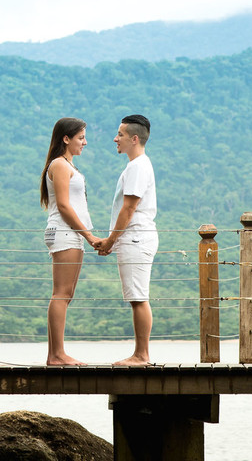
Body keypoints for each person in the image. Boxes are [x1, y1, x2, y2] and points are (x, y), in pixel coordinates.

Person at [40, 117, 102, 366]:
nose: (85, 142)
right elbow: (64, 206)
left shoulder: (66, 165)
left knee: (66, 294)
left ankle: (55, 354)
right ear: (66, 138)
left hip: (71, 234)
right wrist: (88, 235)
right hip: (65, 233)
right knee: (61, 294)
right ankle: (57, 354)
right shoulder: (60, 165)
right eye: (81, 138)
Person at [97, 114, 158, 366]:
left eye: (120, 134)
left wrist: (111, 240)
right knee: (136, 296)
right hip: (134, 238)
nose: (115, 138)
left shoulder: (137, 167)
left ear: (134, 139)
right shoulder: (137, 165)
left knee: (138, 296)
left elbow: (129, 208)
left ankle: (141, 355)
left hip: (136, 238)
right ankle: (140, 353)